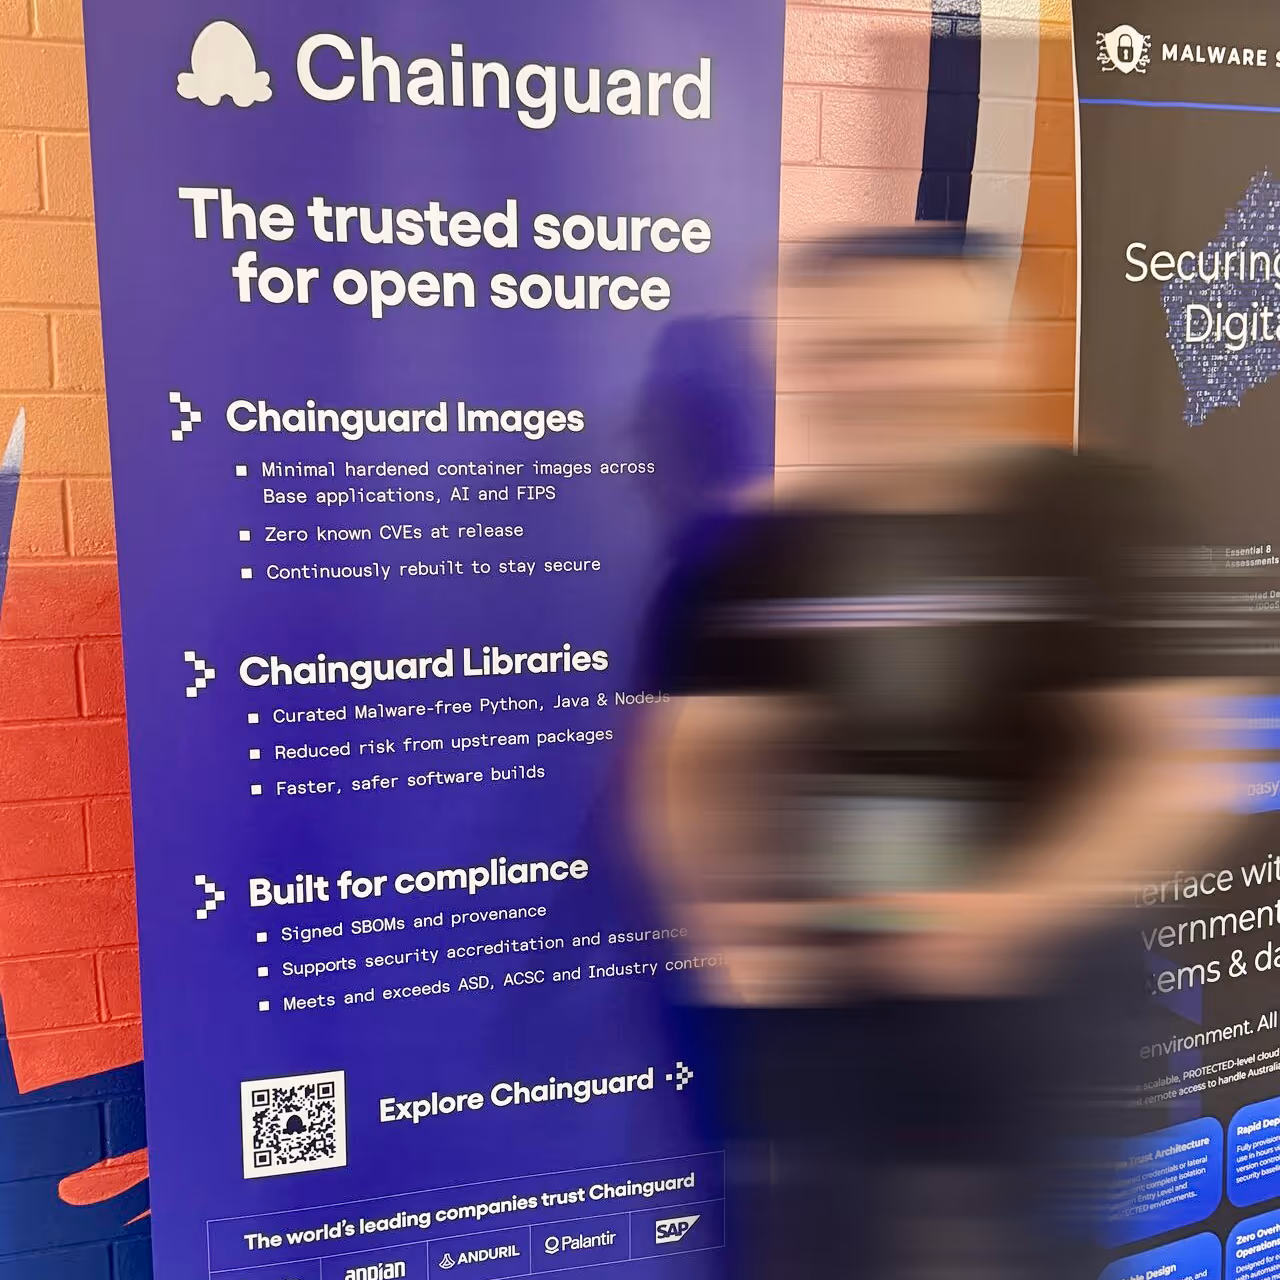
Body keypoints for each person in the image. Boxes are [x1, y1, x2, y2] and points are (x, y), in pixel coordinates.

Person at [634, 224, 1264, 1279]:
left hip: (1034, 1018)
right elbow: (691, 759)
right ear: (800, 364)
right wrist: (720, 916)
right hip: (810, 1025)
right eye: (850, 352)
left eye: (922, 346)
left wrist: (1002, 914)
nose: (888, 381)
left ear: (994, 351)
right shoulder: (755, 549)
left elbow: (1175, 760)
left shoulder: (1101, 519)